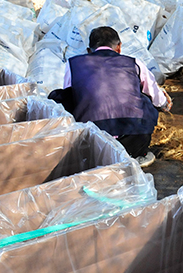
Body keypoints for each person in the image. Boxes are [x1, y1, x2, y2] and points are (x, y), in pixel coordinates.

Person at [49, 26, 171, 167]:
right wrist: (164, 104)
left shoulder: (73, 64)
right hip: (132, 141)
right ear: (119, 47)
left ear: (89, 50)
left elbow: (70, 95)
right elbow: (156, 97)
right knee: (145, 96)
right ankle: (138, 154)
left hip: (92, 142)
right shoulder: (134, 63)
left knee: (64, 96)